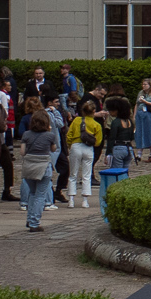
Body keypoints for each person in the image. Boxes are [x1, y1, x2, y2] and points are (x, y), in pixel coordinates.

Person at [16, 104, 59, 232]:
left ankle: (29, 219)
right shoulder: (49, 135)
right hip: (44, 165)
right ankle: (35, 222)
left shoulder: (26, 134)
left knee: (32, 193)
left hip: (29, 166)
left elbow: (23, 152)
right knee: (41, 195)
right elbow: (54, 149)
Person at [65, 99, 104, 209]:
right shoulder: (96, 124)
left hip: (76, 146)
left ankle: (71, 200)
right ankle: (85, 201)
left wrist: (70, 145)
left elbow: (69, 135)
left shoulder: (76, 121)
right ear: (94, 111)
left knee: (73, 174)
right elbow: (98, 142)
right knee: (86, 175)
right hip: (88, 148)